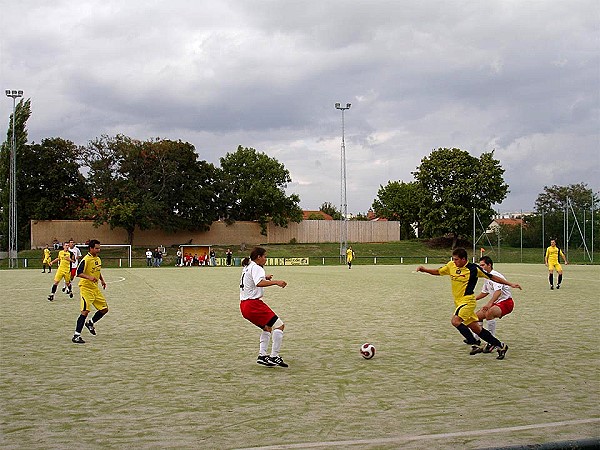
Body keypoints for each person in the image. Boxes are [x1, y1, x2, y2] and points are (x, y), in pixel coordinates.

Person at [416, 247, 522, 360]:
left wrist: (510, 284)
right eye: (453, 259)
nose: (454, 261)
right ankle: (501, 346)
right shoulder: (451, 265)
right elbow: (438, 272)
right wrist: (425, 270)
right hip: (458, 302)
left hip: (468, 302)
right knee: (477, 329)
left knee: (455, 321)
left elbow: (493, 278)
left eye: (456, 259)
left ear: (463, 259)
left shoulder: (473, 269)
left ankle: (474, 343)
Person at [239, 247, 289, 367]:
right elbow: (258, 283)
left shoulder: (248, 266)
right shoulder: (257, 267)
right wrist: (276, 282)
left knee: (267, 328)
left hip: (244, 306)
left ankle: (262, 355)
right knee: (279, 325)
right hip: (253, 304)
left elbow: (252, 280)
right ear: (259, 257)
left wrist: (265, 277)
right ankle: (274, 356)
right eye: (265, 256)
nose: (266, 259)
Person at [471, 256, 516, 354]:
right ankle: (476, 339)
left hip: (507, 303)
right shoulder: (486, 277)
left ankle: (491, 341)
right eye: (480, 265)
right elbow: (484, 292)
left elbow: (498, 292)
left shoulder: (494, 275)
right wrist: (472, 299)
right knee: (476, 316)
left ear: (489, 265)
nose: (481, 267)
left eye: (483, 265)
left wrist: (489, 303)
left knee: (489, 313)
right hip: (497, 303)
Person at [71, 239, 108, 344]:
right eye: (96, 248)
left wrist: (102, 280)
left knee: (104, 309)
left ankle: (90, 323)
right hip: (86, 288)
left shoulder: (98, 259)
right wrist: (89, 277)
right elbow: (78, 273)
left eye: (99, 248)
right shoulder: (86, 259)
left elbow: (97, 270)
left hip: (95, 288)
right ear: (91, 248)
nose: (98, 250)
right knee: (85, 311)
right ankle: (76, 336)